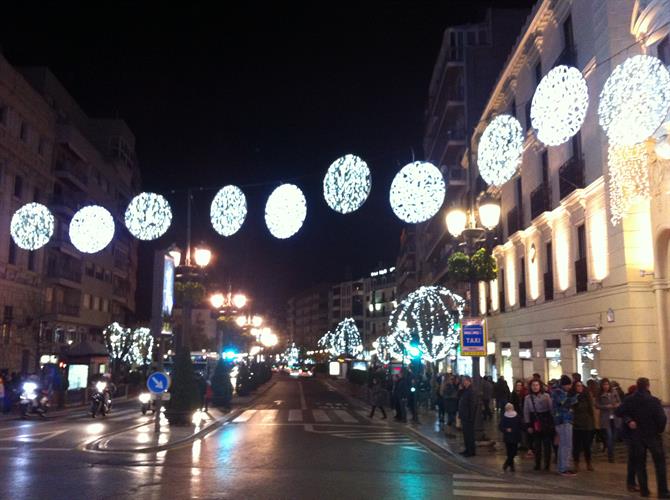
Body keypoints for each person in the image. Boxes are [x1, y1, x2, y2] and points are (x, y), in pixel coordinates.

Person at [616, 377, 668, 498]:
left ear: (637, 386)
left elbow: (619, 412)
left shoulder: (629, 400)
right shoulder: (654, 401)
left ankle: (644, 490)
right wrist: (659, 430)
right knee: (660, 463)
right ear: (648, 386)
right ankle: (663, 491)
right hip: (653, 435)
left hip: (637, 435)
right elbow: (662, 418)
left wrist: (629, 420)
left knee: (640, 464)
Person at [552, 375, 578, 476]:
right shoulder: (558, 392)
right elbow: (564, 403)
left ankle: (563, 466)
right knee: (566, 444)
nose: (570, 387)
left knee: (565, 444)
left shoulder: (559, 391)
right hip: (563, 420)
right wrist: (573, 398)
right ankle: (563, 467)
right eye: (568, 385)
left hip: (565, 419)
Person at [524, 379, 553, 471]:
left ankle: (547, 464)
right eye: (533, 385)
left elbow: (551, 410)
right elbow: (526, 412)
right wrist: (528, 425)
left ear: (540, 386)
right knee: (537, 444)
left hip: (545, 421)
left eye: (537, 385)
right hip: (534, 421)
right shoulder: (528, 398)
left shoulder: (546, 396)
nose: (535, 387)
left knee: (547, 444)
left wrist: (552, 423)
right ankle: (537, 463)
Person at [596, 378, 621, 463]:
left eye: (607, 384)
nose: (606, 386)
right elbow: (597, 405)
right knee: (609, 437)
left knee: (614, 437)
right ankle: (611, 456)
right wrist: (606, 406)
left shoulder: (614, 392)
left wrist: (617, 405)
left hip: (615, 417)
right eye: (604, 385)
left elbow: (619, 402)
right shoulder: (600, 394)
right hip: (605, 417)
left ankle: (610, 449)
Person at [572, 380, 595, 471]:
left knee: (587, 445)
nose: (579, 387)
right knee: (576, 445)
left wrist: (592, 423)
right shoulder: (572, 397)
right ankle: (576, 463)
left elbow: (590, 409)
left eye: (581, 386)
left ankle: (588, 463)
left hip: (586, 423)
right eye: (577, 386)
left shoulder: (587, 396)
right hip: (576, 424)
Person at [500, 402, 522, 471]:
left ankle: (507, 463)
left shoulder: (516, 416)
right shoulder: (505, 417)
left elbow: (521, 424)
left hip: (513, 436)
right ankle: (511, 466)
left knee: (513, 452)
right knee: (510, 452)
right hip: (509, 437)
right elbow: (500, 426)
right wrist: (506, 429)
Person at [458, 376, 477, 457]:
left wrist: (470, 416)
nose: (463, 382)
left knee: (469, 434)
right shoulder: (465, 390)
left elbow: (472, 405)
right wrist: (460, 389)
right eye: (463, 381)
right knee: (465, 434)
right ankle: (467, 449)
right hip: (464, 415)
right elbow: (458, 397)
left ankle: (471, 451)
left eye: (465, 381)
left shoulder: (471, 391)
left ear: (468, 381)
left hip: (468, 417)